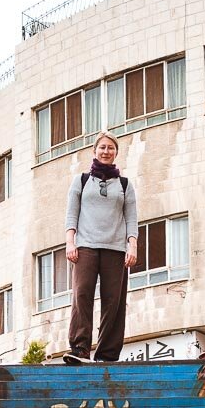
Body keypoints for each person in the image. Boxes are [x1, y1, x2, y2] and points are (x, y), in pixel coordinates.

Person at [63, 131, 138, 364]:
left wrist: (132, 246)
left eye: (111, 148)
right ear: (94, 151)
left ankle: (107, 354)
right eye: (102, 147)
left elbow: (131, 218)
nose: (106, 151)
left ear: (116, 152)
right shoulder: (82, 180)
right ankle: (80, 348)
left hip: (115, 249)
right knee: (82, 293)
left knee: (113, 300)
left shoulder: (125, 185)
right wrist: (70, 242)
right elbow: (71, 214)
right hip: (85, 246)